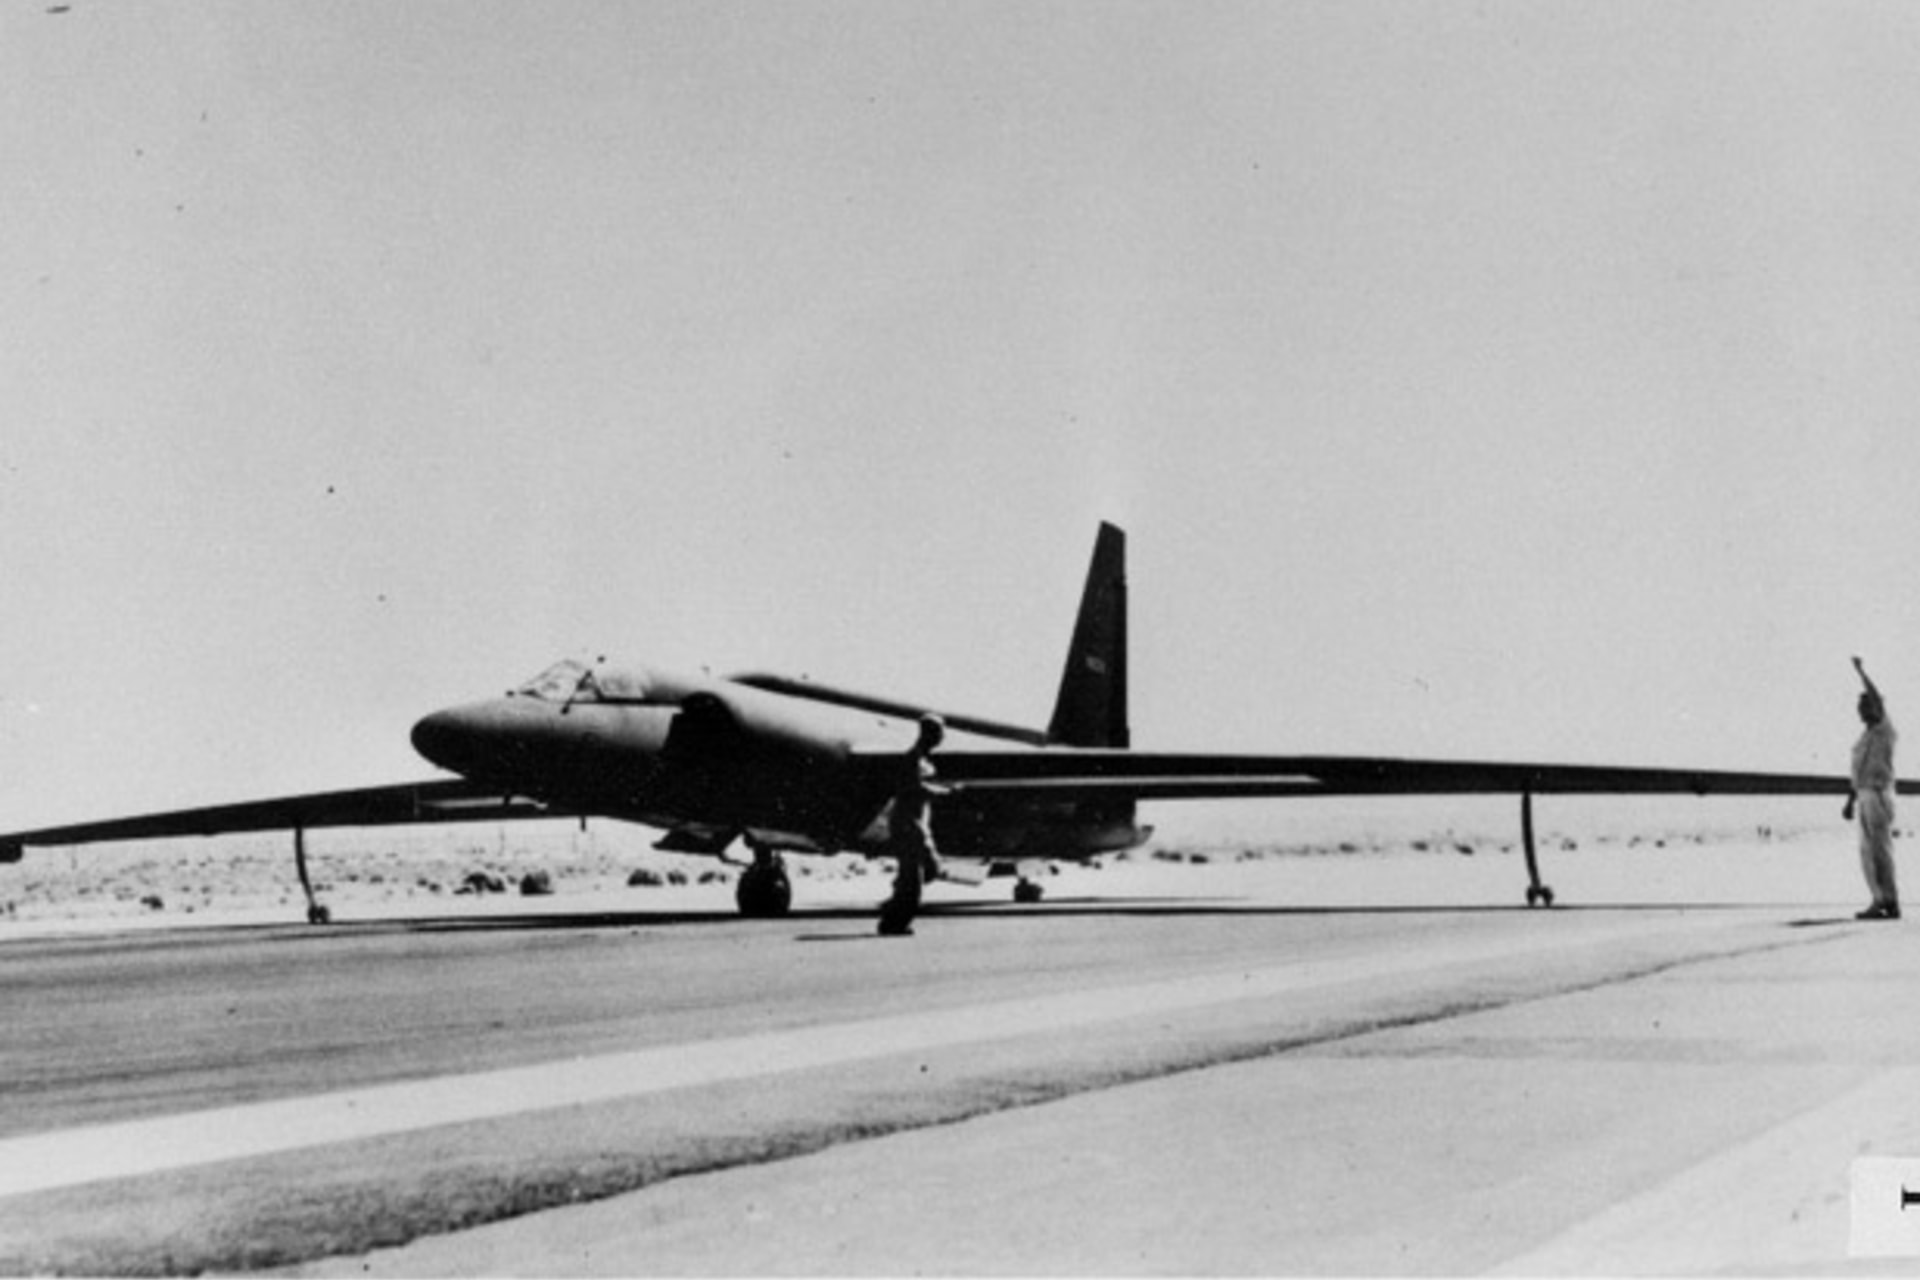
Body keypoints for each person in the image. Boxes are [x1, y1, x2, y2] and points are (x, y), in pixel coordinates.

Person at [878, 714, 948, 937]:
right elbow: (913, 789)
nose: (942, 737)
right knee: (915, 878)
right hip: (909, 823)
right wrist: (944, 793)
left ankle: (893, 911)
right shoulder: (913, 759)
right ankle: (893, 921)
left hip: (917, 823)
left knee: (925, 871)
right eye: (939, 732)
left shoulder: (921, 759)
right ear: (928, 733)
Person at [1844, 656, 1900, 920]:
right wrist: (1850, 801)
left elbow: (1876, 697)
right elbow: (1857, 773)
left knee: (1879, 850)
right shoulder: (1865, 738)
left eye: (1864, 706)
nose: (1861, 710)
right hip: (1865, 794)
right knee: (1870, 850)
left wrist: (1861, 672)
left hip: (1878, 793)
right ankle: (1883, 899)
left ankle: (1886, 900)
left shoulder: (1884, 729)